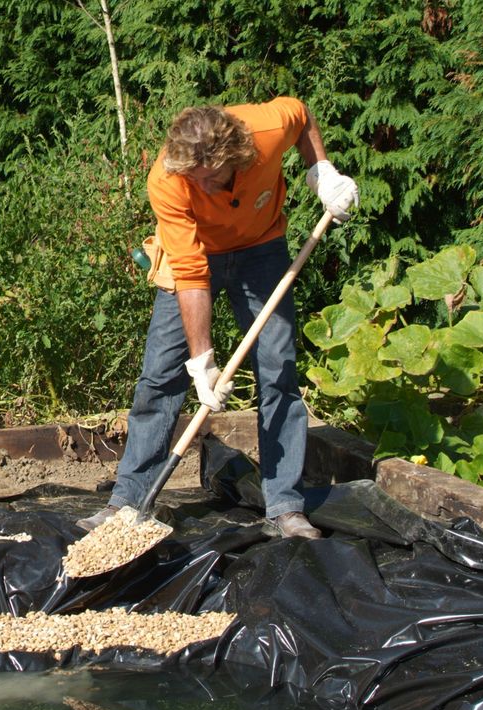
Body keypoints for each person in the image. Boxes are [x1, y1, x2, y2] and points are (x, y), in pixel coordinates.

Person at [77, 98, 358, 539]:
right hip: (194, 253)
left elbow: (300, 115)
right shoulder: (169, 179)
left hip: (261, 249)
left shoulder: (265, 130)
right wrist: (202, 362)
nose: (200, 187)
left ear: (236, 159)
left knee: (277, 371)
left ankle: (285, 505)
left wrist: (322, 170)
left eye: (208, 179)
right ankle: (128, 501)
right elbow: (191, 274)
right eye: (193, 179)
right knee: (160, 377)